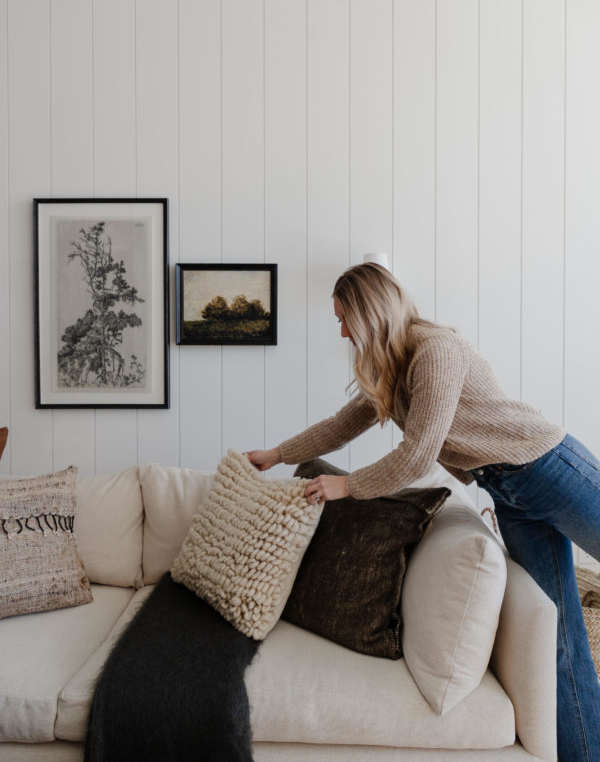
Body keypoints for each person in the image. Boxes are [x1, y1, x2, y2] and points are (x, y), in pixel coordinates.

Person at [247, 261, 600, 762]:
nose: (342, 330)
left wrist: (345, 485)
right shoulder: (394, 368)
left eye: (344, 317)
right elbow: (340, 426)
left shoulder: (436, 352)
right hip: (509, 492)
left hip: (550, 468)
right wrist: (276, 454)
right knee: (560, 643)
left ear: (370, 313)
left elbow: (417, 454)